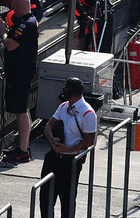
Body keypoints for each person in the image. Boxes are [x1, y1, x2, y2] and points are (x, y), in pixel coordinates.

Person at [40, 77, 96, 218]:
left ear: (73, 91)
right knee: (45, 198)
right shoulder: (64, 106)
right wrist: (52, 139)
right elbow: (48, 126)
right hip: (53, 158)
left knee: (67, 201)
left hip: (70, 162)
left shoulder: (87, 113)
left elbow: (89, 140)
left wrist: (68, 149)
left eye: (65, 89)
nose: (63, 92)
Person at [0, 0, 39, 163]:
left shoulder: (26, 24)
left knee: (21, 111)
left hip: (20, 73)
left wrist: (3, 33)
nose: (12, 9)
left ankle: (22, 150)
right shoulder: (29, 20)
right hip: (22, 72)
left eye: (14, 6)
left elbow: (10, 44)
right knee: (24, 109)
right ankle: (23, 146)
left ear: (19, 6)